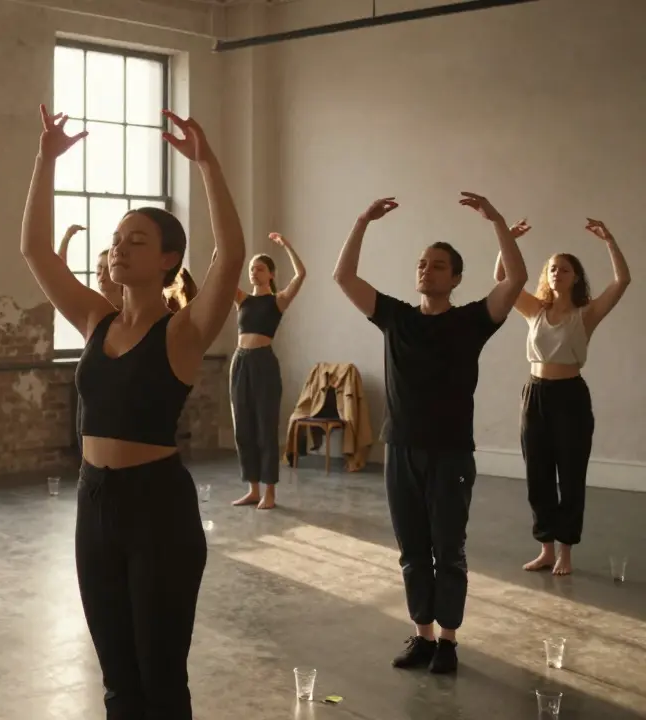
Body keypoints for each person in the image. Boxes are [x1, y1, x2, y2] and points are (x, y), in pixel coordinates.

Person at [21, 105, 245, 717]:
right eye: (116, 240)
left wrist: (207, 164)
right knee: (118, 678)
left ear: (169, 259)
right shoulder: (97, 320)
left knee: (160, 677)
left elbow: (230, 254)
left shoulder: (185, 331)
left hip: (158, 509)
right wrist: (45, 161)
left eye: (137, 241)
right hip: (94, 502)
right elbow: (37, 250)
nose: (120, 249)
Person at [333, 193, 527, 674]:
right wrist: (361, 220)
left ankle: (449, 642)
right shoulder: (395, 317)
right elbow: (343, 277)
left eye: (438, 265)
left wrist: (497, 220)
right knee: (412, 550)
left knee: (449, 549)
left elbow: (517, 280)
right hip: (400, 449)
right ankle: (422, 635)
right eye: (422, 263)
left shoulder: (472, 321)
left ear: (455, 278)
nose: (427, 270)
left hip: (451, 453)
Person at [495, 218, 631, 576]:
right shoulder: (534, 311)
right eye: (552, 268)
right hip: (535, 395)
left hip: (570, 397)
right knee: (537, 474)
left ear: (575, 277)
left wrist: (610, 240)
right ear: (547, 275)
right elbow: (502, 280)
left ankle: (566, 553)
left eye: (564, 269)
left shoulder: (585, 315)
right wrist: (507, 240)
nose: (557, 273)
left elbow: (622, 282)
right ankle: (545, 548)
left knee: (570, 475)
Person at [229, 233, 306, 510]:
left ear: (271, 274)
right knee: (243, 428)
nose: (254, 272)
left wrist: (286, 245)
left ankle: (269, 493)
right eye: (252, 268)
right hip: (240, 362)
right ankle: (252, 489)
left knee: (265, 427)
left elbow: (301, 274)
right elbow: (223, 276)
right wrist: (223, 254)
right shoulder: (242, 300)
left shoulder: (277, 301)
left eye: (260, 268)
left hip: (263, 363)